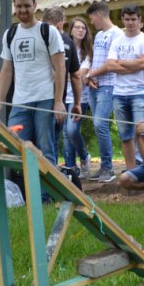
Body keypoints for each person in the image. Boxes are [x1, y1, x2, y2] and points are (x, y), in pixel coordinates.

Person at [0, 0, 66, 172]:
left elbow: (60, 67)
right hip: (19, 101)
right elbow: (7, 70)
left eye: (27, 6)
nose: (23, 10)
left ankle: (46, 197)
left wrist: (58, 101)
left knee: (45, 148)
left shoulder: (48, 31)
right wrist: (0, 102)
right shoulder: (10, 34)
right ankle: (26, 192)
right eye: (19, 6)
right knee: (15, 145)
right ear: (14, 7)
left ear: (35, 6)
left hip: (45, 99)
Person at [88, 4, 144, 172]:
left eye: (133, 19)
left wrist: (122, 62)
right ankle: (131, 173)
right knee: (126, 136)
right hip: (119, 93)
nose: (130, 23)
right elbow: (110, 65)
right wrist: (134, 65)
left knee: (142, 133)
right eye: (127, 19)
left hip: (140, 92)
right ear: (123, 20)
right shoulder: (117, 41)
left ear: (140, 20)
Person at [83, 1, 124, 182]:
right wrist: (90, 78)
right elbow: (96, 60)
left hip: (109, 86)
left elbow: (111, 64)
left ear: (99, 15)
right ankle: (104, 167)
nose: (92, 23)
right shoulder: (99, 35)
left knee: (100, 124)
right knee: (99, 126)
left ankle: (108, 168)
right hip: (95, 86)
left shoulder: (117, 34)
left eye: (92, 18)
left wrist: (90, 74)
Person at [42, 7, 82, 167]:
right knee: (51, 144)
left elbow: (75, 75)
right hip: (55, 101)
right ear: (61, 23)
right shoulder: (69, 42)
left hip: (48, 100)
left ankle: (45, 183)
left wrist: (77, 103)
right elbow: (76, 75)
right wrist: (77, 103)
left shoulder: (42, 37)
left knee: (45, 143)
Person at [66, 17, 93, 178]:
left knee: (71, 130)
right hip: (63, 96)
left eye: (83, 28)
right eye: (77, 27)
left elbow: (80, 74)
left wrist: (63, 76)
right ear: (71, 30)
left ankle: (84, 156)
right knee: (66, 134)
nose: (81, 30)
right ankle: (71, 169)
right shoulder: (64, 49)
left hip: (80, 98)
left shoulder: (88, 53)